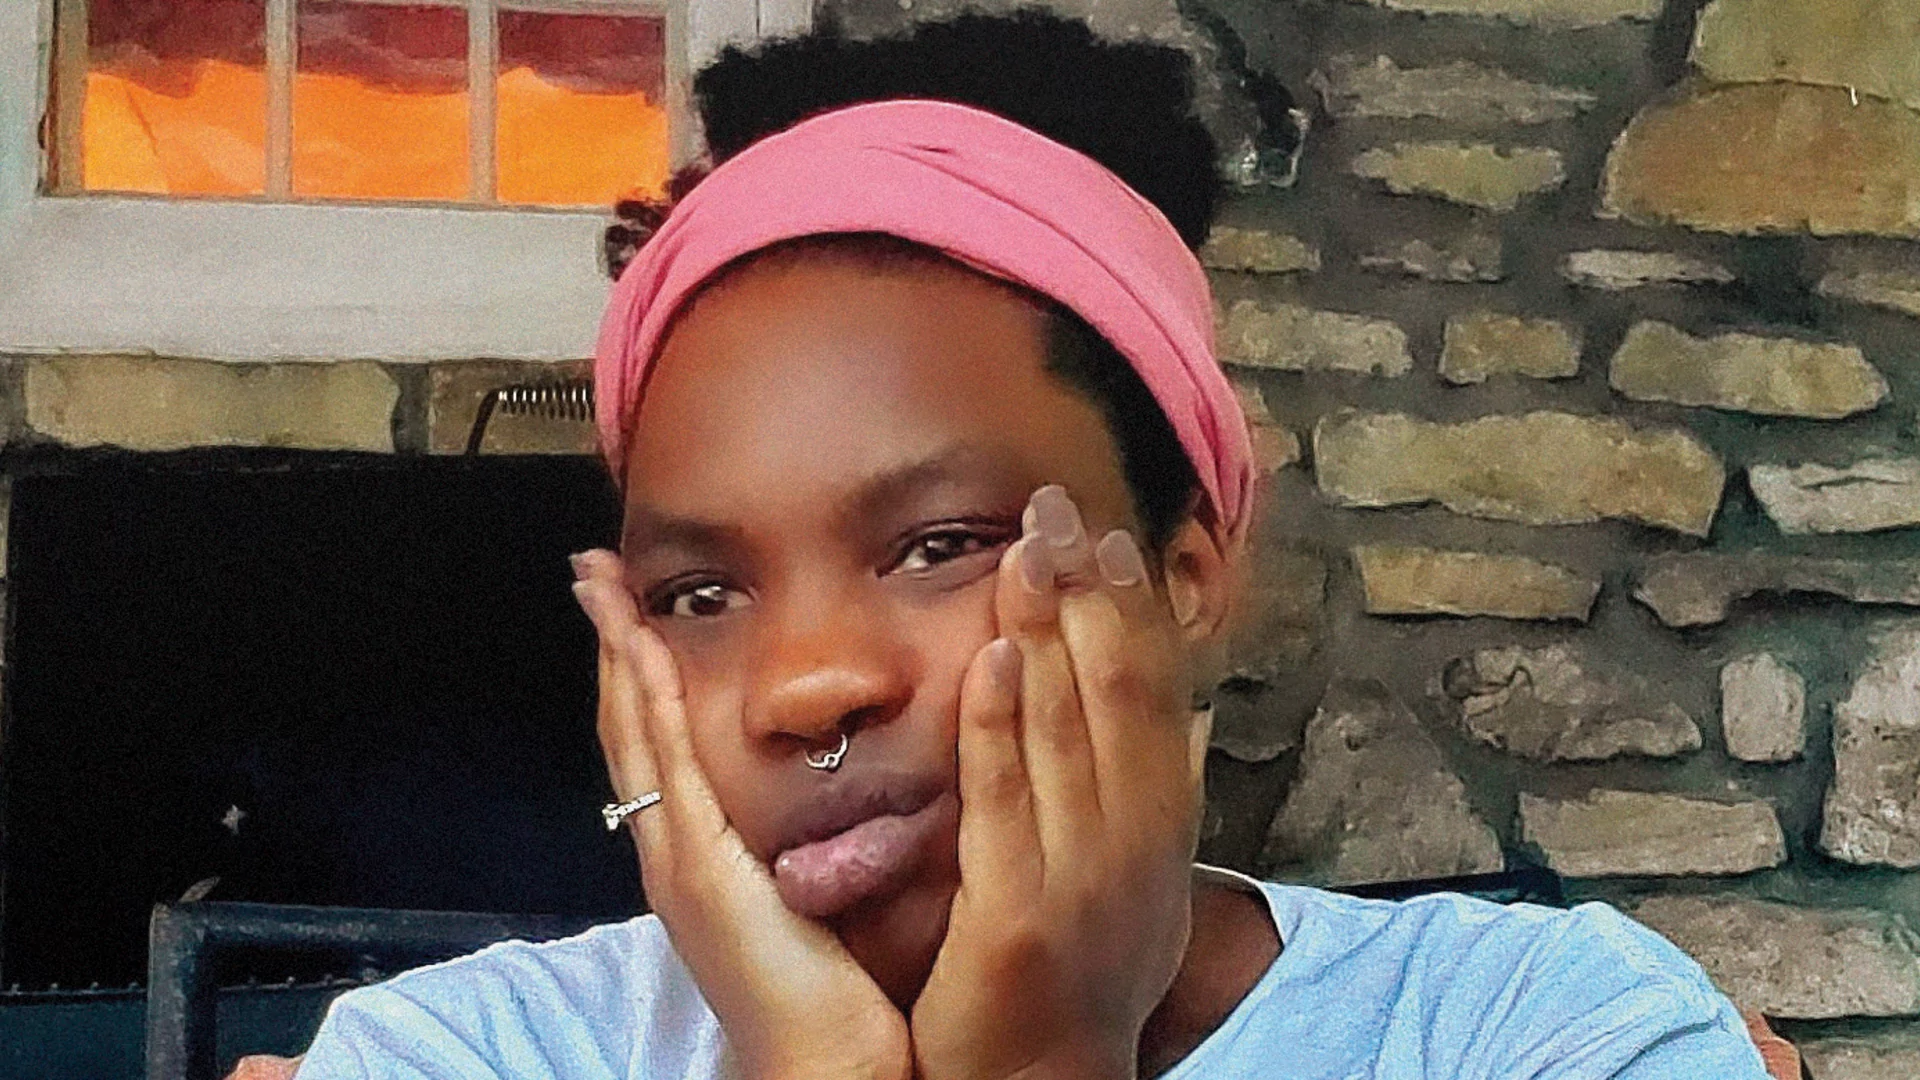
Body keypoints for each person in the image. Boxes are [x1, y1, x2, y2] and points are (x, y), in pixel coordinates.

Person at [270, 11, 1778, 1079]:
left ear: (1185, 574)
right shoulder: (465, 1054)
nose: (800, 687)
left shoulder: (1544, 1036)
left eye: (937, 545)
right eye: (702, 592)